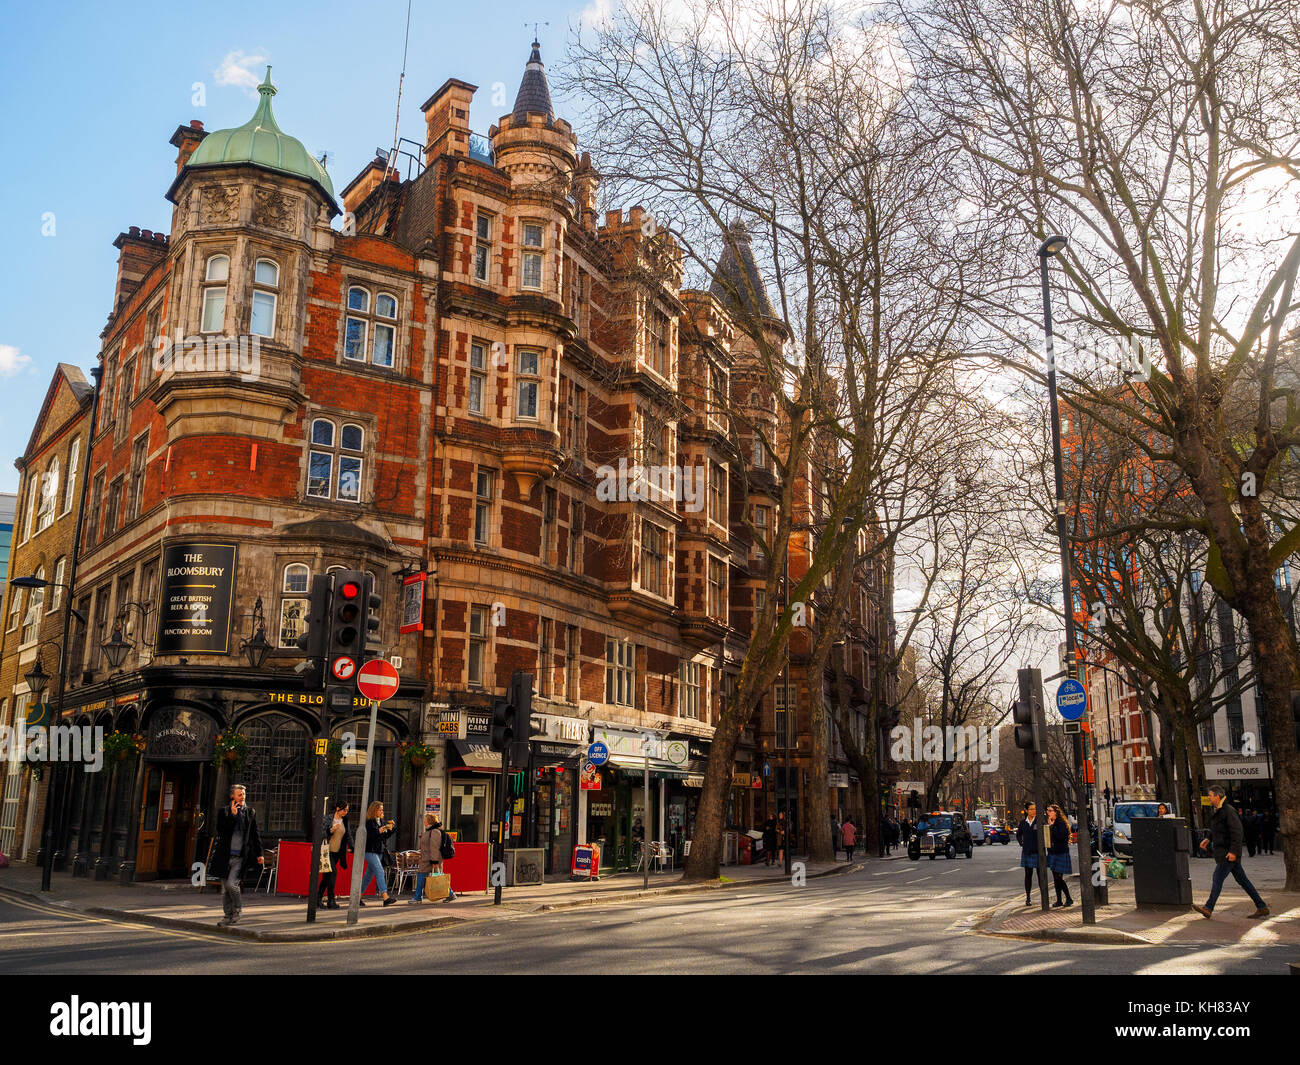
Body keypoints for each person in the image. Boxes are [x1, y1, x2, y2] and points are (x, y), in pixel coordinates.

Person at [1194, 786, 1269, 919]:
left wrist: (1233, 851)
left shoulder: (1228, 811)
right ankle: (1261, 906)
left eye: (1210, 795)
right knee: (1243, 881)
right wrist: (1208, 838)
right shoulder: (1220, 811)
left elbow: (1237, 832)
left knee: (1217, 878)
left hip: (1227, 853)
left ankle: (1208, 907)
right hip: (1226, 852)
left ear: (1217, 796)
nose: (1209, 798)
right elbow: (1218, 828)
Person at [209, 784, 264, 927]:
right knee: (224, 890)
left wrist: (260, 854)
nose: (243, 797)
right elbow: (221, 831)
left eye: (244, 794)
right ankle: (227, 916)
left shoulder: (250, 812)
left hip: (240, 856)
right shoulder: (224, 812)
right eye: (240, 794)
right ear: (232, 796)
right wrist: (232, 816)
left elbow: (254, 834)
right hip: (225, 856)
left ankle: (238, 910)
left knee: (232, 885)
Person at [359, 800, 398, 907]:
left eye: (382, 809)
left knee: (368, 876)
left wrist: (391, 829)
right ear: (374, 810)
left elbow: (383, 837)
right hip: (369, 851)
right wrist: (379, 831)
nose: (382, 811)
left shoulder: (381, 821)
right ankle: (385, 897)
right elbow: (370, 836)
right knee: (380, 871)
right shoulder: (368, 822)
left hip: (379, 851)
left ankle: (358, 897)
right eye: (380, 809)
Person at [412, 813, 457, 903]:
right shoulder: (429, 831)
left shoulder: (434, 832)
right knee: (439, 876)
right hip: (427, 859)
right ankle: (451, 894)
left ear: (429, 821)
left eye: (425, 819)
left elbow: (434, 847)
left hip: (431, 859)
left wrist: (434, 862)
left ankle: (417, 897)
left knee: (423, 876)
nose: (424, 821)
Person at [317, 800, 352, 909]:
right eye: (344, 810)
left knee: (327, 877)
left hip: (338, 852)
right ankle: (331, 900)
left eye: (347, 810)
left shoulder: (345, 821)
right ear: (338, 808)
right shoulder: (328, 819)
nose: (346, 812)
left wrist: (352, 846)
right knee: (333, 873)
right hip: (327, 851)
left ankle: (318, 899)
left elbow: (348, 835)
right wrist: (331, 830)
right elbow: (320, 833)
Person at [1046, 804, 1073, 908]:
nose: (1048, 812)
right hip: (1053, 852)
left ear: (1056, 812)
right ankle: (1059, 900)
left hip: (1060, 852)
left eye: (1050, 810)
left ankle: (1069, 898)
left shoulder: (1061, 823)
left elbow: (1060, 837)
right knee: (1055, 878)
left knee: (1058, 878)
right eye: (1047, 810)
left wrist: (1052, 827)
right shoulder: (1052, 823)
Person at [1016, 802, 1041, 907]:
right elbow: (1018, 835)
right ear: (1026, 810)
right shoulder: (1023, 823)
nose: (1033, 811)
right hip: (1027, 852)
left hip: (1039, 852)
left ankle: (1044, 897)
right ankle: (1028, 898)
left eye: (1035, 809)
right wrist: (1022, 843)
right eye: (1031, 809)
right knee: (1028, 875)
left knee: (1041, 876)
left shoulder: (1040, 821)